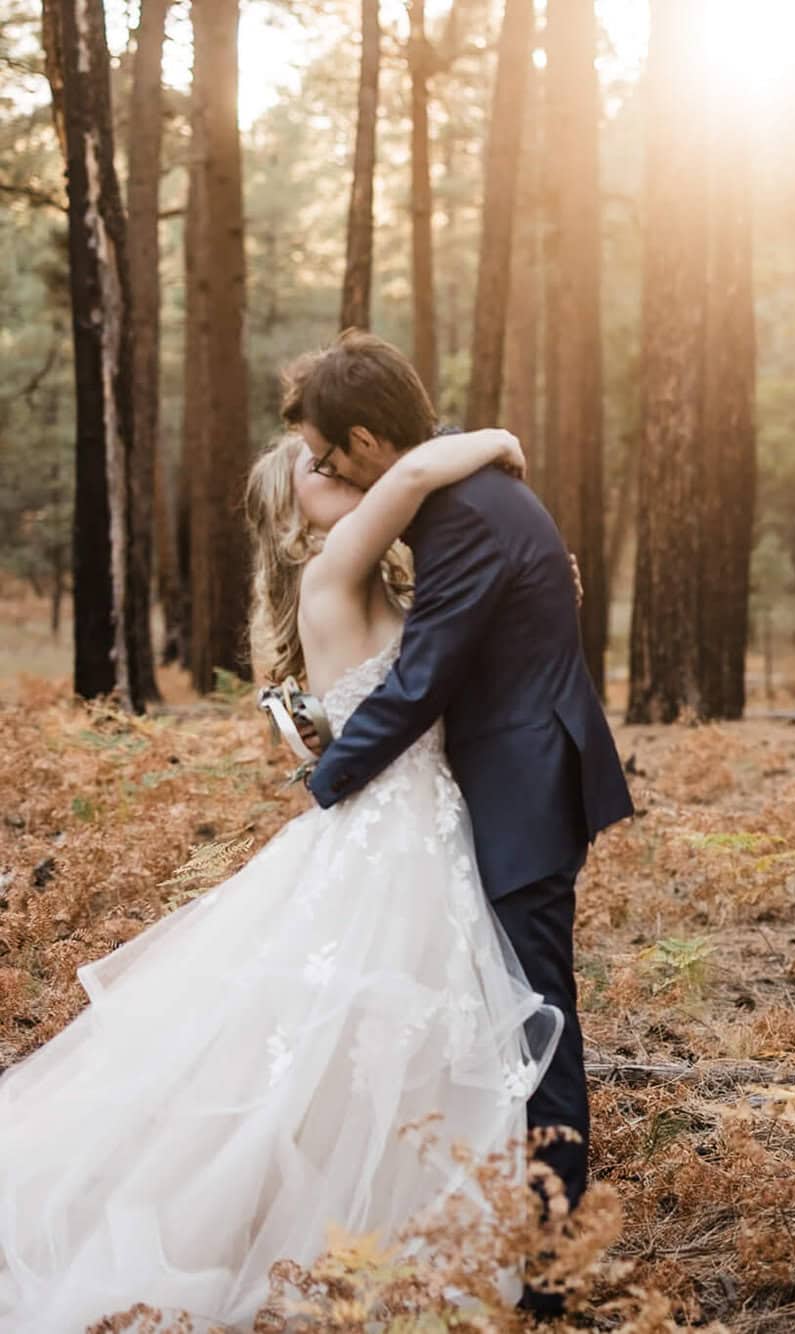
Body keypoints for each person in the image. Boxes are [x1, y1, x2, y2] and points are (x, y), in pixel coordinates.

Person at [0, 428, 559, 1329]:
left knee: (390, 1045)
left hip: (431, 832)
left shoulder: (386, 579)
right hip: (388, 840)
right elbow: (413, 470)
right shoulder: (332, 567)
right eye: (313, 463)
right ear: (291, 506)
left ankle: (381, 1232)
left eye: (337, 454)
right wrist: (497, 438)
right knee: (342, 1033)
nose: (333, 466)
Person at [285, 332, 632, 1312]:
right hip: (507, 781)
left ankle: (552, 1271)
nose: (322, 468)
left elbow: (421, 678)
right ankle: (510, 1239)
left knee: (536, 1027)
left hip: (519, 792)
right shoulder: (461, 505)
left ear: (360, 441)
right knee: (508, 1016)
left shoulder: (462, 515)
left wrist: (328, 780)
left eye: (324, 450)